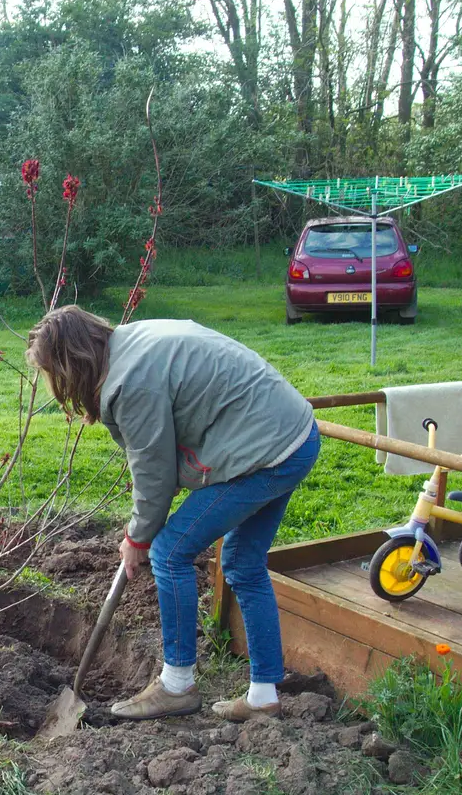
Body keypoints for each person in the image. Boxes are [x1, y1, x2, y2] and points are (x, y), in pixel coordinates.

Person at [25, 306, 320, 720]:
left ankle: (177, 686)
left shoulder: (131, 383)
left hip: (266, 450)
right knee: (242, 563)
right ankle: (263, 696)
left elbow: (154, 471)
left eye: (53, 374)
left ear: (71, 363)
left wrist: (137, 537)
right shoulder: (130, 343)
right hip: (292, 436)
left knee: (169, 553)